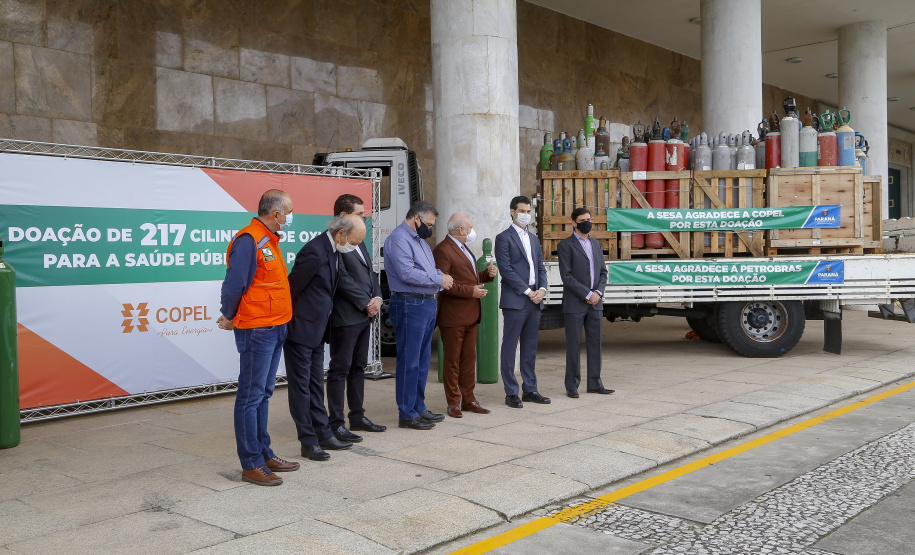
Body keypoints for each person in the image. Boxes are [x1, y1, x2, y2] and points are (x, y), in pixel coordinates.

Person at [218, 189, 300, 486]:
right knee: (250, 397)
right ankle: (250, 462)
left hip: (276, 326)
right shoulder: (248, 239)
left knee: (263, 394)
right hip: (257, 329)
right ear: (275, 213)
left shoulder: (269, 239)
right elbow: (234, 284)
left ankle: (264, 452)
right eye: (289, 211)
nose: (291, 216)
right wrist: (229, 314)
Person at [285, 214, 364, 461]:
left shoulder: (333, 250)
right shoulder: (314, 252)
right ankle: (307, 441)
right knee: (301, 388)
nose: (354, 246)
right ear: (341, 233)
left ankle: (323, 432)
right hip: (301, 330)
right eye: (353, 240)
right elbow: (292, 289)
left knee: (315, 385)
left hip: (319, 330)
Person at [383, 201, 454, 430]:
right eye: (429, 224)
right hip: (409, 304)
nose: (430, 229)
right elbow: (407, 273)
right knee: (409, 361)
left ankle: (418, 407)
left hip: (425, 304)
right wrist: (438, 279)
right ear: (416, 218)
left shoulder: (420, 242)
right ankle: (406, 413)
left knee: (422, 360)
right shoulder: (398, 239)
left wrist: (440, 277)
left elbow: (429, 270)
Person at [327, 194, 386, 443]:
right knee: (340, 369)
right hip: (346, 316)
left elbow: (369, 272)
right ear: (343, 216)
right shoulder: (336, 240)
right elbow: (341, 277)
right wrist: (365, 302)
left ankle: (357, 416)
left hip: (364, 316)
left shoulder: (358, 239)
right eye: (359, 214)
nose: (364, 218)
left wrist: (378, 297)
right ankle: (336, 423)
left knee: (358, 367)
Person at [432, 213, 498, 418]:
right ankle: (454, 402)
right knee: (452, 361)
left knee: (469, 360)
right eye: (469, 228)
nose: (471, 231)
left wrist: (486, 275)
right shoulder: (443, 250)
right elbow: (444, 284)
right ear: (460, 229)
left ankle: (469, 399)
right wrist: (471, 292)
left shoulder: (463, 247)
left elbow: (468, 277)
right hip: (453, 316)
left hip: (471, 315)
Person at [494, 196, 551, 408]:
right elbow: (506, 270)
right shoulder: (504, 238)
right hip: (516, 300)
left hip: (535, 300)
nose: (526, 214)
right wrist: (528, 291)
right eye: (522, 210)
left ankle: (530, 389)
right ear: (512, 212)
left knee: (530, 347)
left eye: (528, 210)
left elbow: (540, 267)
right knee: (510, 347)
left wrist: (542, 290)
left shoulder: (534, 239)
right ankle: (511, 392)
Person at [557, 207, 614, 398]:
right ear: (573, 222)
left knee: (595, 344)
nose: (587, 222)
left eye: (589, 219)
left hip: (595, 303)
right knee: (573, 345)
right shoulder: (565, 245)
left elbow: (603, 273)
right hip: (575, 304)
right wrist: (587, 294)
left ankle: (595, 383)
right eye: (582, 220)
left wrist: (597, 292)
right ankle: (572, 385)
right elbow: (566, 276)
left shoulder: (596, 244)